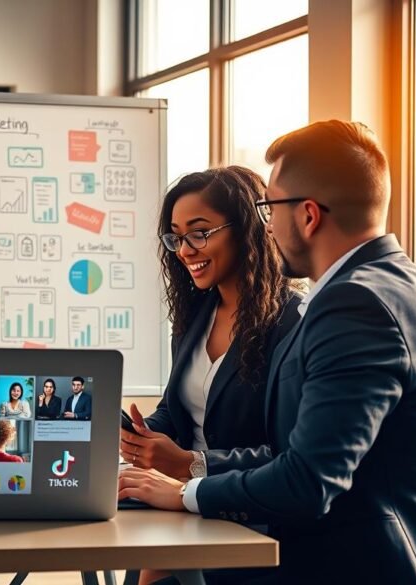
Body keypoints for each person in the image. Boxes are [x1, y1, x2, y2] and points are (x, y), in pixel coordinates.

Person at [118, 121, 416, 584]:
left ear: (308, 215)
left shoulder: (355, 305)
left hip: (361, 566)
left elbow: (307, 481)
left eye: (270, 208)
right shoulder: (402, 286)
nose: (267, 225)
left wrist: (187, 492)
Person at [118, 165, 302, 585]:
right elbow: (180, 408)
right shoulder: (195, 316)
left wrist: (191, 464)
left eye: (199, 232)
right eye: (176, 236)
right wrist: (142, 437)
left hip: (248, 515)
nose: (184, 250)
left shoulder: (294, 324)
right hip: (181, 504)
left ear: (246, 230)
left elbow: (287, 452)